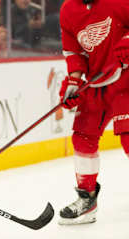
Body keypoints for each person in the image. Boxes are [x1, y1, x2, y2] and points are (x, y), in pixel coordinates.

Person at [58, 0, 129, 225]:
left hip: (126, 80)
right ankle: (87, 200)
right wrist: (73, 81)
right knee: (83, 137)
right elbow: (74, 50)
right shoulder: (68, 9)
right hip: (97, 83)